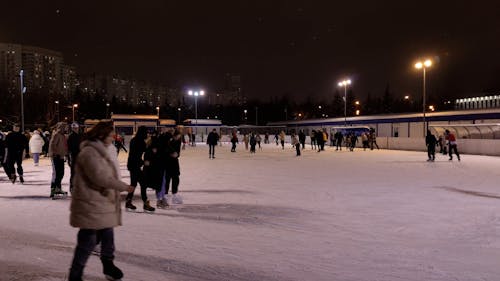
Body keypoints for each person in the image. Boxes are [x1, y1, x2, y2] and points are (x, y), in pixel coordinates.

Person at [68, 121, 134, 281]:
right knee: (87, 241)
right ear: (102, 134)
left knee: (108, 236)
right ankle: (75, 275)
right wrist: (123, 186)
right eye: (111, 134)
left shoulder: (101, 151)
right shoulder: (90, 152)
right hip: (90, 203)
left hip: (101, 203)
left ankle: (108, 266)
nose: (114, 137)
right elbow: (100, 177)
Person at [125, 126, 155, 212]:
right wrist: (143, 162)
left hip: (132, 165)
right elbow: (136, 155)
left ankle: (128, 201)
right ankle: (145, 203)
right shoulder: (139, 141)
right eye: (146, 132)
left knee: (133, 184)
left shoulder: (135, 140)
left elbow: (142, 150)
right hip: (134, 165)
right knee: (143, 183)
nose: (147, 134)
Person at [163, 129, 183, 204]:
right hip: (167, 163)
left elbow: (178, 153)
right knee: (167, 179)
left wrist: (176, 154)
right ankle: (165, 195)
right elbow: (165, 150)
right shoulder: (168, 141)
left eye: (179, 136)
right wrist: (171, 154)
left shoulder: (178, 141)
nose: (179, 137)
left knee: (176, 178)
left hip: (174, 162)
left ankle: (174, 194)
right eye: (178, 136)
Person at [49, 122, 68, 197]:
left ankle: (58, 188)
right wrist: (55, 154)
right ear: (61, 127)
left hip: (61, 156)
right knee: (56, 173)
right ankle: (53, 190)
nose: (66, 128)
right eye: (65, 127)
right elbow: (52, 145)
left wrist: (65, 154)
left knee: (61, 173)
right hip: (56, 156)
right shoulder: (56, 134)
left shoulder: (62, 135)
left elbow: (63, 146)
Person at [67, 123, 83, 193]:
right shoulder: (71, 136)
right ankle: (73, 187)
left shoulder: (79, 136)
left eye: (76, 128)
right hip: (74, 156)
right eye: (74, 128)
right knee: (74, 173)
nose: (76, 129)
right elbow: (69, 148)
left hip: (78, 157)